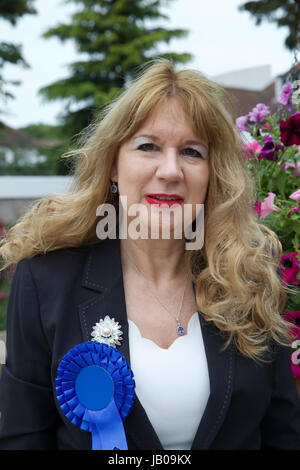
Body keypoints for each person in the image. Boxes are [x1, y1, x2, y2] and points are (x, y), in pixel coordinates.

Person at [0, 58, 299, 450]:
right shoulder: (46, 280)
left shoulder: (252, 276)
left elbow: (283, 436)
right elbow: (23, 438)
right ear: (112, 164)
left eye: (192, 152)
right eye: (148, 146)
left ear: (213, 174)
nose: (171, 170)